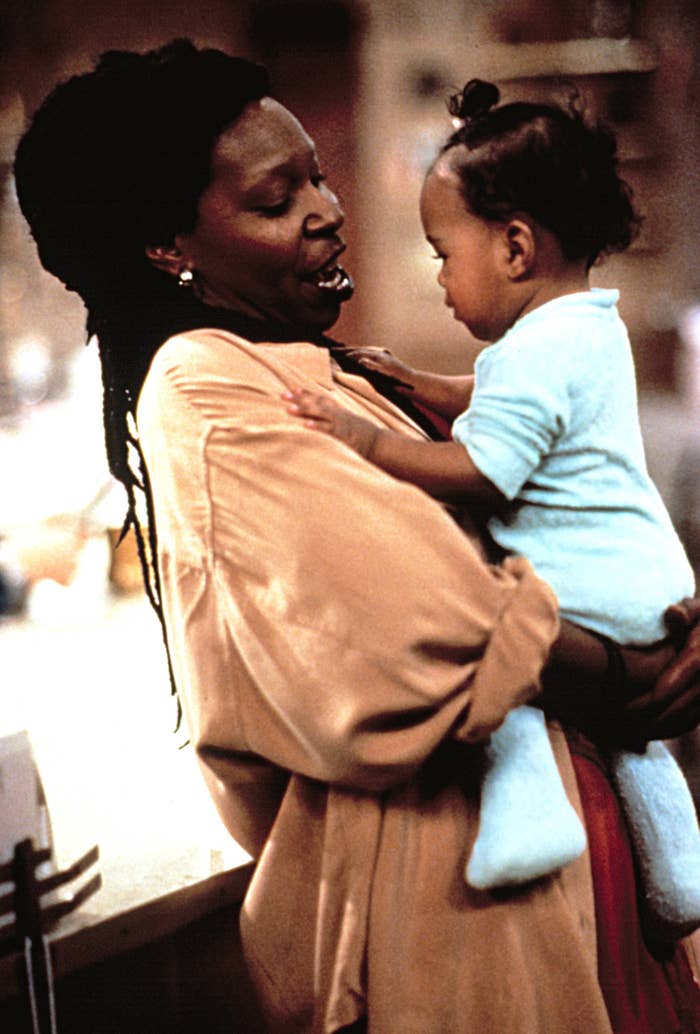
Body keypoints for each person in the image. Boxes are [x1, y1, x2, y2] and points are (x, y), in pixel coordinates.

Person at [13, 40, 700, 1034]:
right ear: (168, 245)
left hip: (573, 886)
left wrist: (666, 627)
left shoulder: (324, 369)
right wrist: (633, 670)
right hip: (465, 919)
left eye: (317, 178)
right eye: (275, 199)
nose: (326, 211)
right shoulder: (205, 388)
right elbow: (434, 621)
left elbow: (565, 514)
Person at [283, 78, 700, 935]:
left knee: (491, 646)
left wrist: (367, 444)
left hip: (589, 587)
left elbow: (487, 468)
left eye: (444, 254)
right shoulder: (584, 327)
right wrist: (417, 381)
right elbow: (498, 399)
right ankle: (679, 868)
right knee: (631, 740)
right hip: (648, 584)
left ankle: (527, 813)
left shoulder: (535, 353)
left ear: (514, 248)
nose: (441, 279)